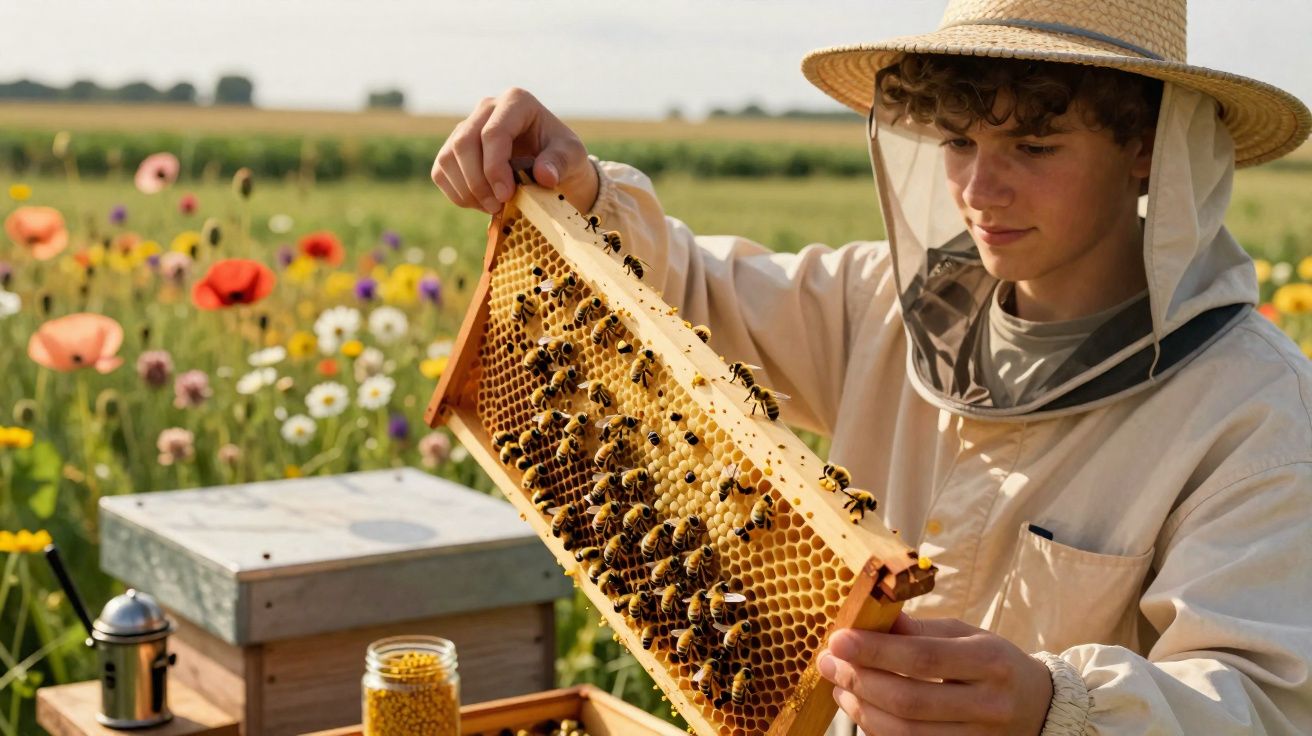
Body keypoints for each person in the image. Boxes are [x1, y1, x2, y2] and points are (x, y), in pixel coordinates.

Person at [431, 0, 1312, 732]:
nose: (979, 191)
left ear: (1146, 146)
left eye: (1034, 149)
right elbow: (686, 304)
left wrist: (1056, 707)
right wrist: (583, 194)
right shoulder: (883, 304)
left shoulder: (1253, 412)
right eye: (959, 142)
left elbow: (1265, 702)